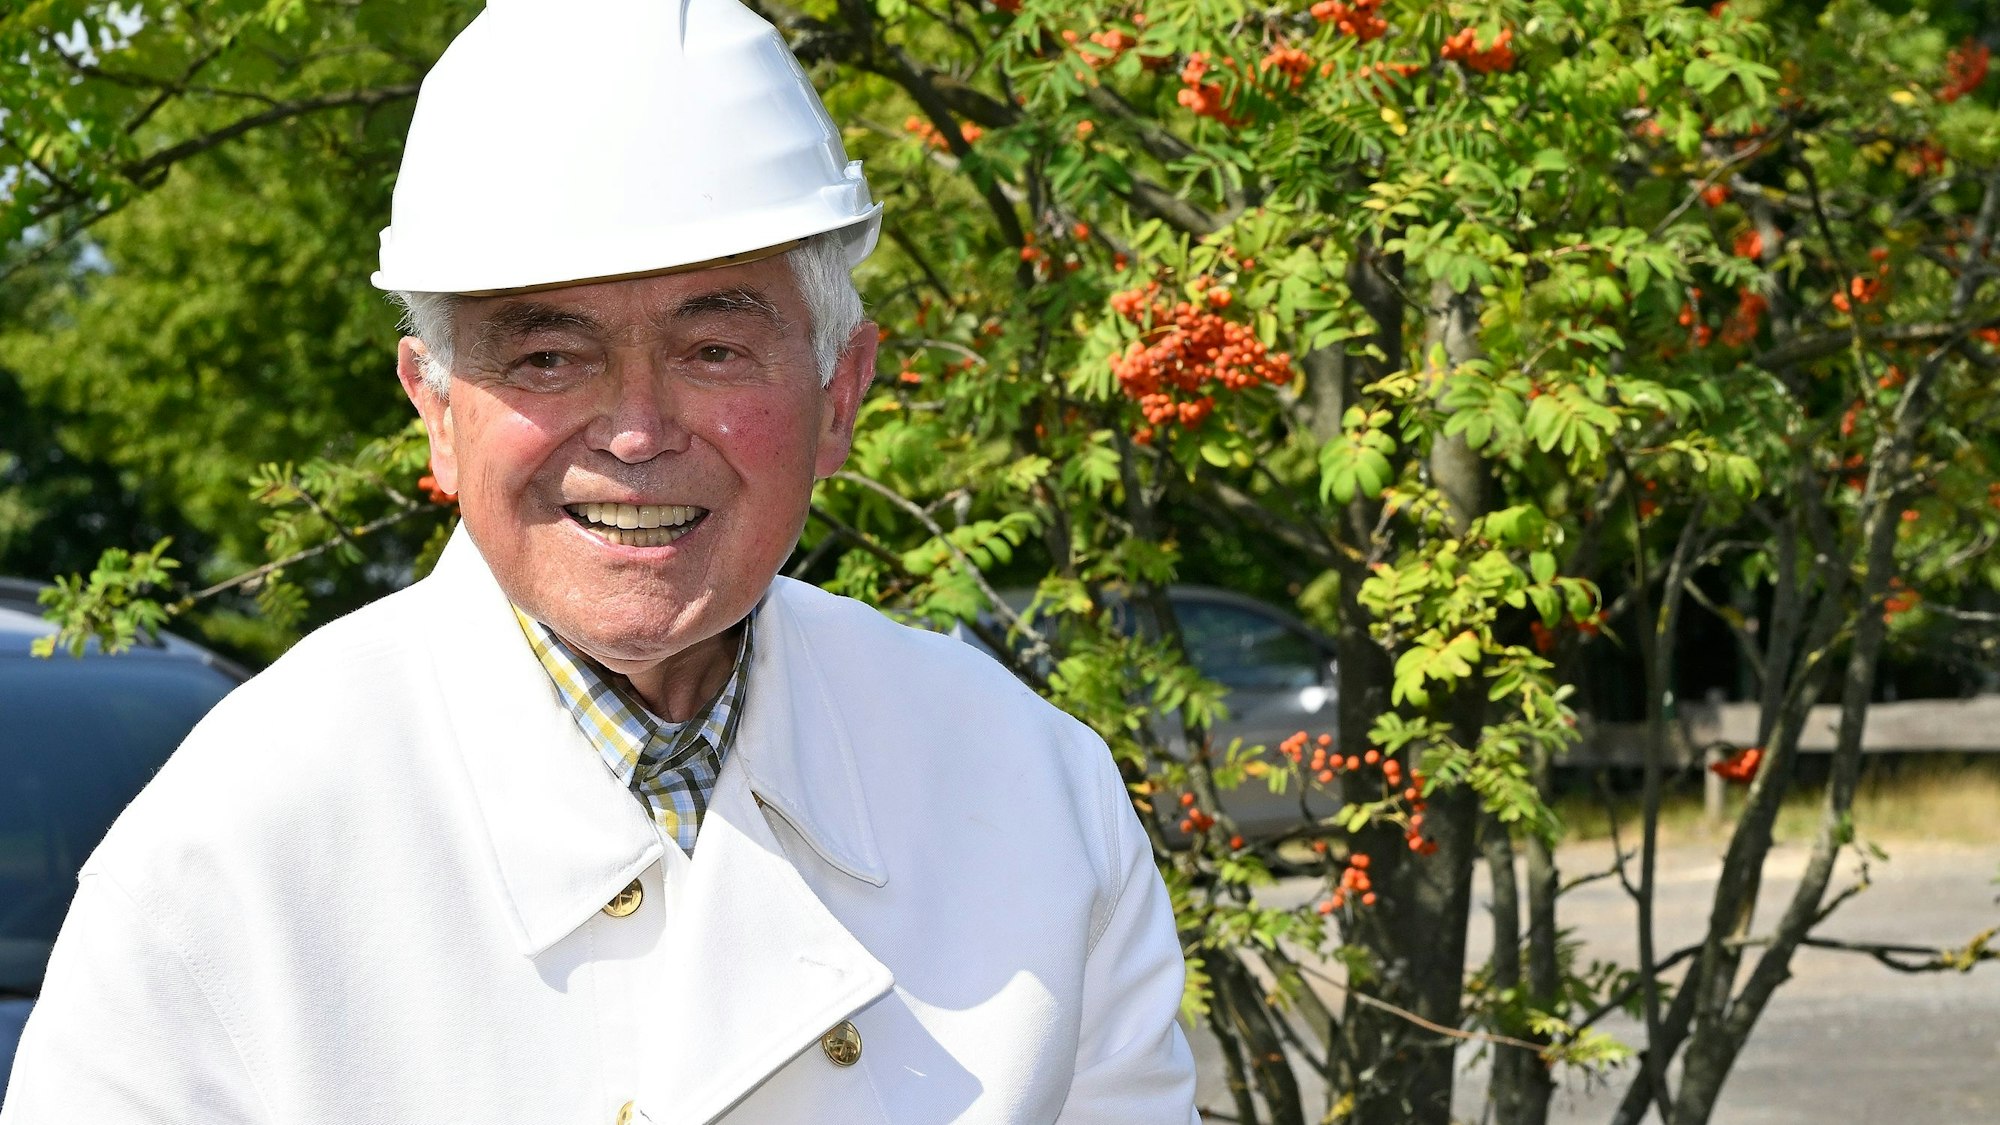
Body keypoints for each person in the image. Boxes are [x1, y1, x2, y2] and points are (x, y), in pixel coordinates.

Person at [1, 1, 1198, 1121]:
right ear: (434, 408)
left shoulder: (1031, 793)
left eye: (715, 347)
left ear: (840, 393)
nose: (634, 432)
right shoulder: (230, 852)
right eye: (545, 359)